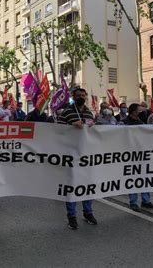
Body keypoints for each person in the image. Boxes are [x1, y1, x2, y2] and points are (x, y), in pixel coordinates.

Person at [58, 88, 97, 230]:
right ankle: (71, 216)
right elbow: (58, 131)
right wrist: (71, 126)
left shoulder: (88, 112)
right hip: (71, 155)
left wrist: (92, 127)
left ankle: (88, 212)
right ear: (73, 97)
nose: (81, 97)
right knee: (72, 186)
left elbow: (93, 134)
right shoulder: (67, 111)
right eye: (78, 95)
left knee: (88, 185)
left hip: (85, 155)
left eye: (83, 95)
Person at [123, 103, 153, 212]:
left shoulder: (140, 121)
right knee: (133, 178)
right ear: (133, 111)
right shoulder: (124, 122)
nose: (141, 112)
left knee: (145, 177)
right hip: (130, 155)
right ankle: (133, 202)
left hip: (142, 154)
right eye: (139, 110)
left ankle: (146, 201)